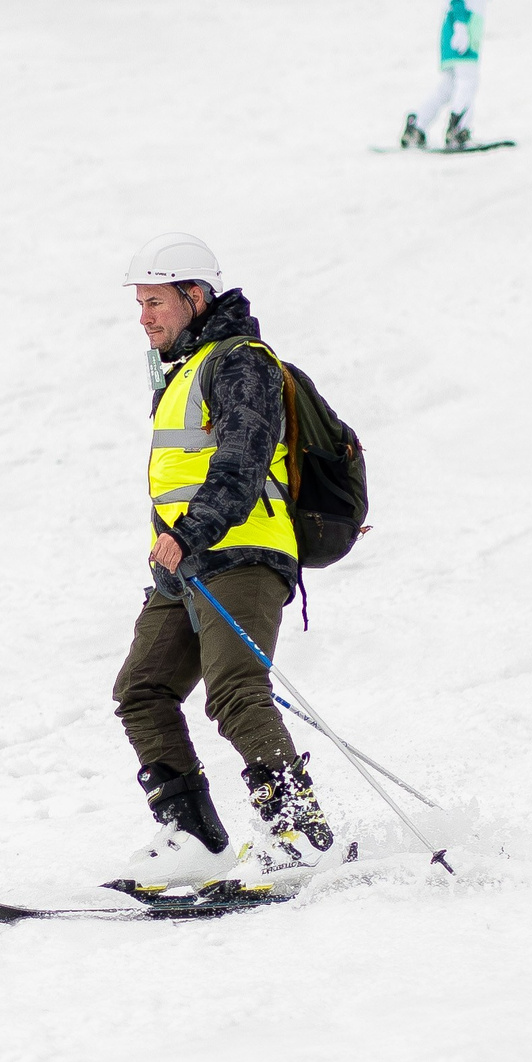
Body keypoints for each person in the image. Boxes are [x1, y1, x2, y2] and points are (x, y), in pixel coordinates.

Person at [113, 233, 336, 885]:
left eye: (155, 301)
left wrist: (191, 532)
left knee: (235, 689)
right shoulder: (184, 369)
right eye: (140, 303)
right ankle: (195, 836)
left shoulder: (241, 362)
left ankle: (300, 831)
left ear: (195, 295)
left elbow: (242, 459)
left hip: (240, 551)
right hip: (182, 568)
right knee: (142, 690)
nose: (144, 317)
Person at [400, 0, 494, 150]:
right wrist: (460, 27)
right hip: (460, 29)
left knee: (449, 84)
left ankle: (417, 125)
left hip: (465, 29)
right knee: (468, 80)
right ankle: (457, 129)